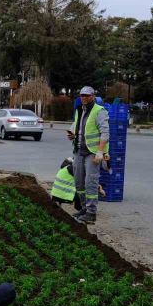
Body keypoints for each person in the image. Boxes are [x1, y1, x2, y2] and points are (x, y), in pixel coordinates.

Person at [67, 86, 109, 224]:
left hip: (92, 153)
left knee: (90, 183)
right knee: (79, 183)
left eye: (86, 95)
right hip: (79, 151)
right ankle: (84, 208)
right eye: (82, 95)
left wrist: (100, 151)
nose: (83, 97)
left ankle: (91, 213)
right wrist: (73, 135)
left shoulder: (99, 111)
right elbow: (79, 128)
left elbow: (105, 133)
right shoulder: (80, 110)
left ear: (93, 96)